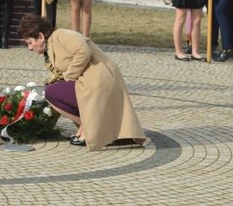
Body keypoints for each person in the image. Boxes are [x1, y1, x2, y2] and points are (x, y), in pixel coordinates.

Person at [19, 14, 146, 151]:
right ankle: (89, 127)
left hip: (100, 80)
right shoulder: (52, 45)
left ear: (41, 36)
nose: (30, 48)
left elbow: (83, 51)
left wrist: (69, 76)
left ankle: (92, 129)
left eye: (30, 43)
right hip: (92, 81)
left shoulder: (61, 35)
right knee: (54, 90)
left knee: (52, 92)